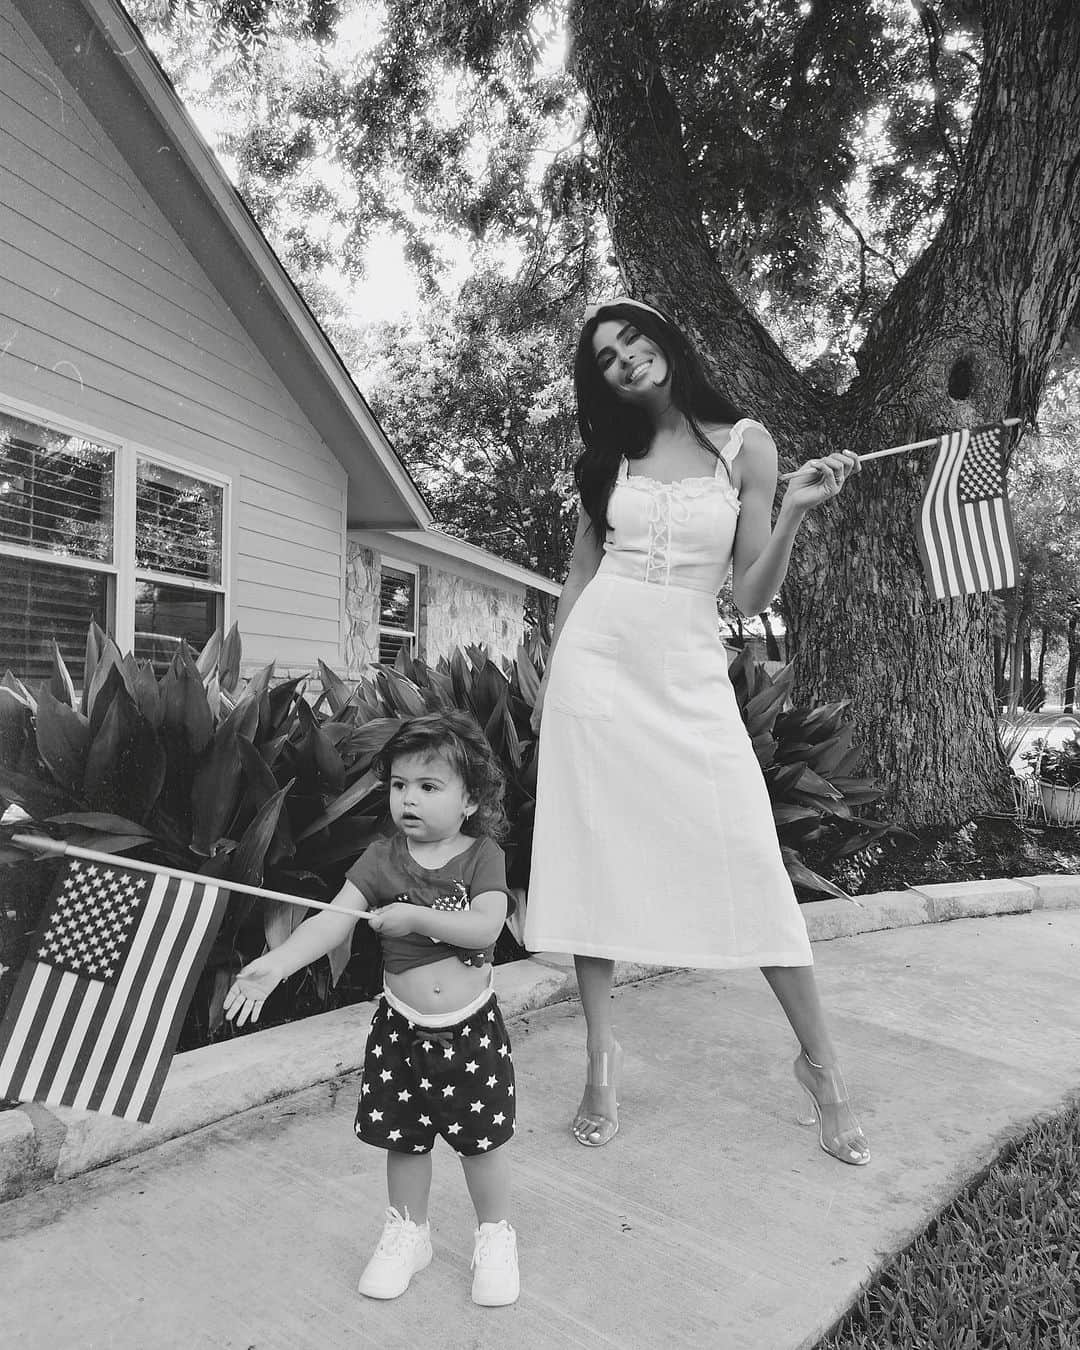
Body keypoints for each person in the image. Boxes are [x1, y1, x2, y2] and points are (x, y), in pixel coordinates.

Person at [524, 296, 870, 1167]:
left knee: (750, 857)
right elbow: (579, 571)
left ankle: (821, 1067)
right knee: (593, 860)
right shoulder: (609, 457)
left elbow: (749, 596)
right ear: (600, 382)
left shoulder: (745, 444)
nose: (626, 359)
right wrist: (555, 677)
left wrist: (791, 509)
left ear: (668, 341)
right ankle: (601, 1065)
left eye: (634, 339)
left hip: (685, 668)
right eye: (606, 357)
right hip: (597, 669)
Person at [224, 709, 521, 1306]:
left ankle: (495, 1235)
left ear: (470, 801)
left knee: (480, 1144)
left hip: (469, 1034)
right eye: (399, 785)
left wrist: (413, 917)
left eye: (429, 786)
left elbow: (486, 925)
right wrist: (278, 961)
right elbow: (335, 920)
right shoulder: (382, 859)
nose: (408, 799)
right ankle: (409, 1234)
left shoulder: (480, 854)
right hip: (400, 1033)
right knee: (404, 1141)